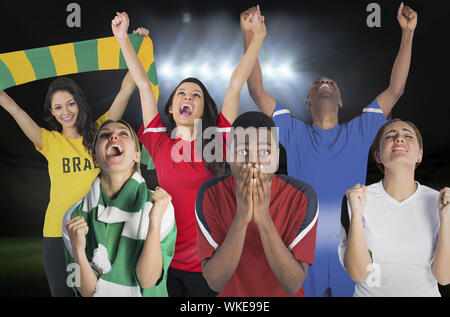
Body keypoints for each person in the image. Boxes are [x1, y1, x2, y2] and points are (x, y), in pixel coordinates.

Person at [241, 3, 417, 296]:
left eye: (331, 82)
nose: (324, 83)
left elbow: (395, 90)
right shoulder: (294, 131)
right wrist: (249, 35)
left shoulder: (360, 131)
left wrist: (408, 33)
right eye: (317, 83)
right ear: (308, 101)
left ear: (341, 101)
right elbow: (257, 91)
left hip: (349, 244)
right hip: (304, 244)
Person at [111, 7, 267, 296]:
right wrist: (122, 37)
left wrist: (257, 37)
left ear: (201, 109)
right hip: (165, 261)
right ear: (171, 107)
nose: (188, 97)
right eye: (181, 93)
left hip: (210, 266)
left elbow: (235, 83)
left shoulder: (216, 138)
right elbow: (144, 85)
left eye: (196, 95)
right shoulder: (158, 141)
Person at [0, 27, 148, 296]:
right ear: (52, 113)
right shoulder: (48, 141)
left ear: (79, 103)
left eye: (70, 104)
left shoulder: (103, 130)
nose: (65, 111)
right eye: (58, 107)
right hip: (58, 233)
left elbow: (129, 86)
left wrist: (136, 44)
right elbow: (15, 109)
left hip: (99, 232)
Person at [195, 111, 318, 297]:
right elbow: (215, 282)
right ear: (229, 155)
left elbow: (292, 284)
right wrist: (241, 219)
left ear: (276, 157)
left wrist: (263, 219)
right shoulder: (209, 194)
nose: (253, 162)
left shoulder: (302, 196)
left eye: (264, 152)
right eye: (243, 152)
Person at [63, 120, 176, 297]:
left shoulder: (159, 206)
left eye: (123, 133)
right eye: (104, 135)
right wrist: (78, 252)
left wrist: (154, 223)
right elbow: (86, 292)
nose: (113, 136)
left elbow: (148, 280)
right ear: (94, 157)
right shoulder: (73, 216)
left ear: (136, 156)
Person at [339, 119, 450, 296]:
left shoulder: (441, 202)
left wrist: (446, 221)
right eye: (390, 136)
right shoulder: (356, 199)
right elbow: (358, 274)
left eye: (408, 135)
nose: (399, 138)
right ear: (377, 156)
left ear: (419, 155)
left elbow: (444, 277)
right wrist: (357, 214)